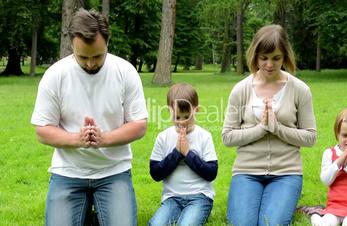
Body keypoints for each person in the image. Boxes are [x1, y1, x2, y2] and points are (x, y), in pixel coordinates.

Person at [31, 8, 148, 226]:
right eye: (82, 57)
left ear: (107, 44)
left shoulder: (125, 72)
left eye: (97, 56)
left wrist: (104, 139)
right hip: (68, 172)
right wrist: (77, 139)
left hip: (114, 171)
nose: (91, 63)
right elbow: (42, 130)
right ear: (72, 46)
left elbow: (139, 124)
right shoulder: (55, 75)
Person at [222, 24, 317, 226]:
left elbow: (310, 137)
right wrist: (261, 128)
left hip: (286, 173)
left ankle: (284, 203)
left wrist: (278, 128)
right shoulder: (241, 90)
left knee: (270, 223)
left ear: (285, 57)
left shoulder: (300, 90)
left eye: (276, 58)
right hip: (246, 172)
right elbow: (227, 137)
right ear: (255, 55)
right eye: (263, 58)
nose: (269, 65)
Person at [148, 83, 218, 226]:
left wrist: (188, 153)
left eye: (187, 116)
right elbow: (155, 173)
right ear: (169, 111)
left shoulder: (204, 136)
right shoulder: (163, 137)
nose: (182, 122)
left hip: (199, 196)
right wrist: (177, 153)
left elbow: (211, 173)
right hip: (172, 197)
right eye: (177, 117)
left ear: (196, 110)